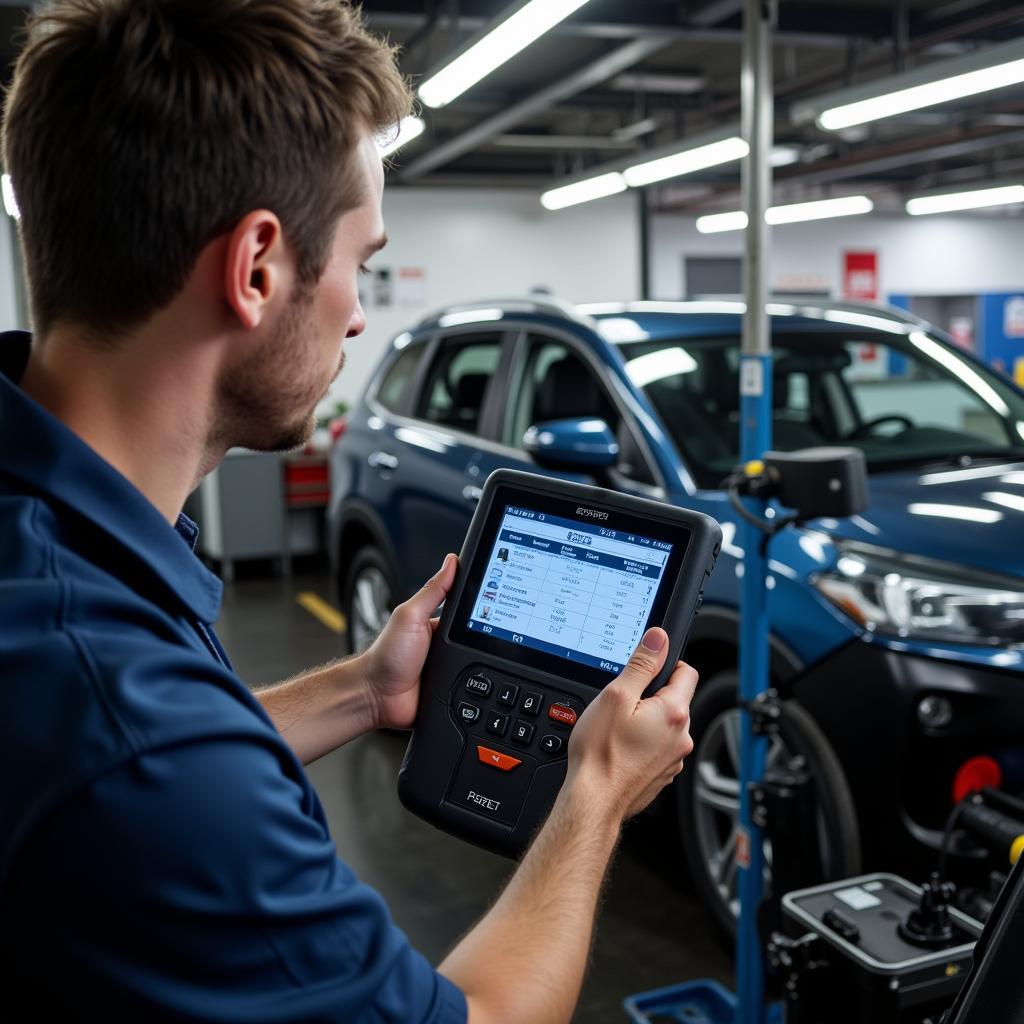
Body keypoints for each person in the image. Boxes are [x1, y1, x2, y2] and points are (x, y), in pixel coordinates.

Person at [0, 2, 698, 1021]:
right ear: (256, 268)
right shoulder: (114, 696)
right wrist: (592, 796)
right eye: (360, 259)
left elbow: (145, 775)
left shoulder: (57, 557)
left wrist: (366, 689)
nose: (362, 310)